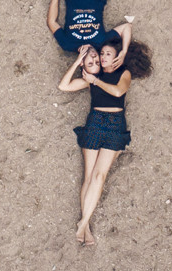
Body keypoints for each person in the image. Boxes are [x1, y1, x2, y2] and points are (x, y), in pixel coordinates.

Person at [57, 32, 152, 245]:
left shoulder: (122, 73)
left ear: (117, 56)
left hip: (115, 124)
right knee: (89, 176)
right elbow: (64, 86)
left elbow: (118, 92)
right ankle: (86, 228)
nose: (102, 57)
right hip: (95, 121)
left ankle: (83, 224)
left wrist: (96, 80)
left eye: (107, 54)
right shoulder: (90, 78)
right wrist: (78, 63)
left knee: (100, 176)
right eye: (101, 55)